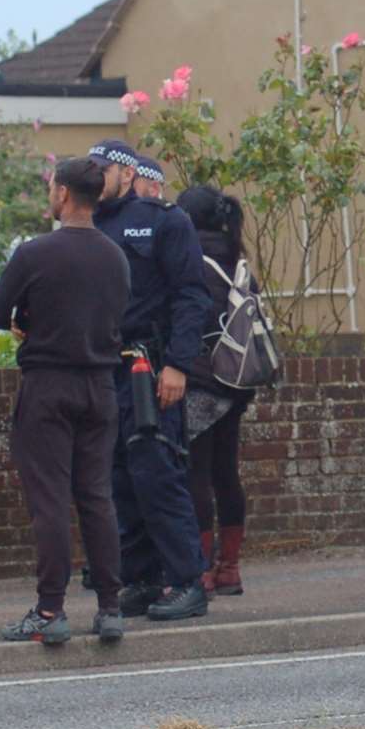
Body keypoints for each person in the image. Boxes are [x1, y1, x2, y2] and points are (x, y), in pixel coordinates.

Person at [0, 157, 132, 644]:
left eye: (52, 187)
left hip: (48, 383)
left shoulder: (34, 253)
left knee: (50, 499)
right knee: (97, 496)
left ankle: (50, 611)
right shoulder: (115, 255)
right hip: (100, 385)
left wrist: (26, 319)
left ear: (64, 193)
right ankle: (110, 606)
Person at [90, 140, 212, 621]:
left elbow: (191, 296)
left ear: (126, 173)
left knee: (157, 472)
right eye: (92, 168)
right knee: (119, 477)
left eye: (106, 168)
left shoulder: (164, 220)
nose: (98, 177)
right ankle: (140, 578)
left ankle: (186, 580)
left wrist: (178, 364)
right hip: (105, 366)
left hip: (150, 365)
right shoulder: (89, 224)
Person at [176, 184, 256, 596]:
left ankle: (202, 570)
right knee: (227, 473)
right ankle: (230, 567)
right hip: (236, 381)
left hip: (201, 381)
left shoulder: (192, 262)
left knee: (197, 475)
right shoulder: (236, 260)